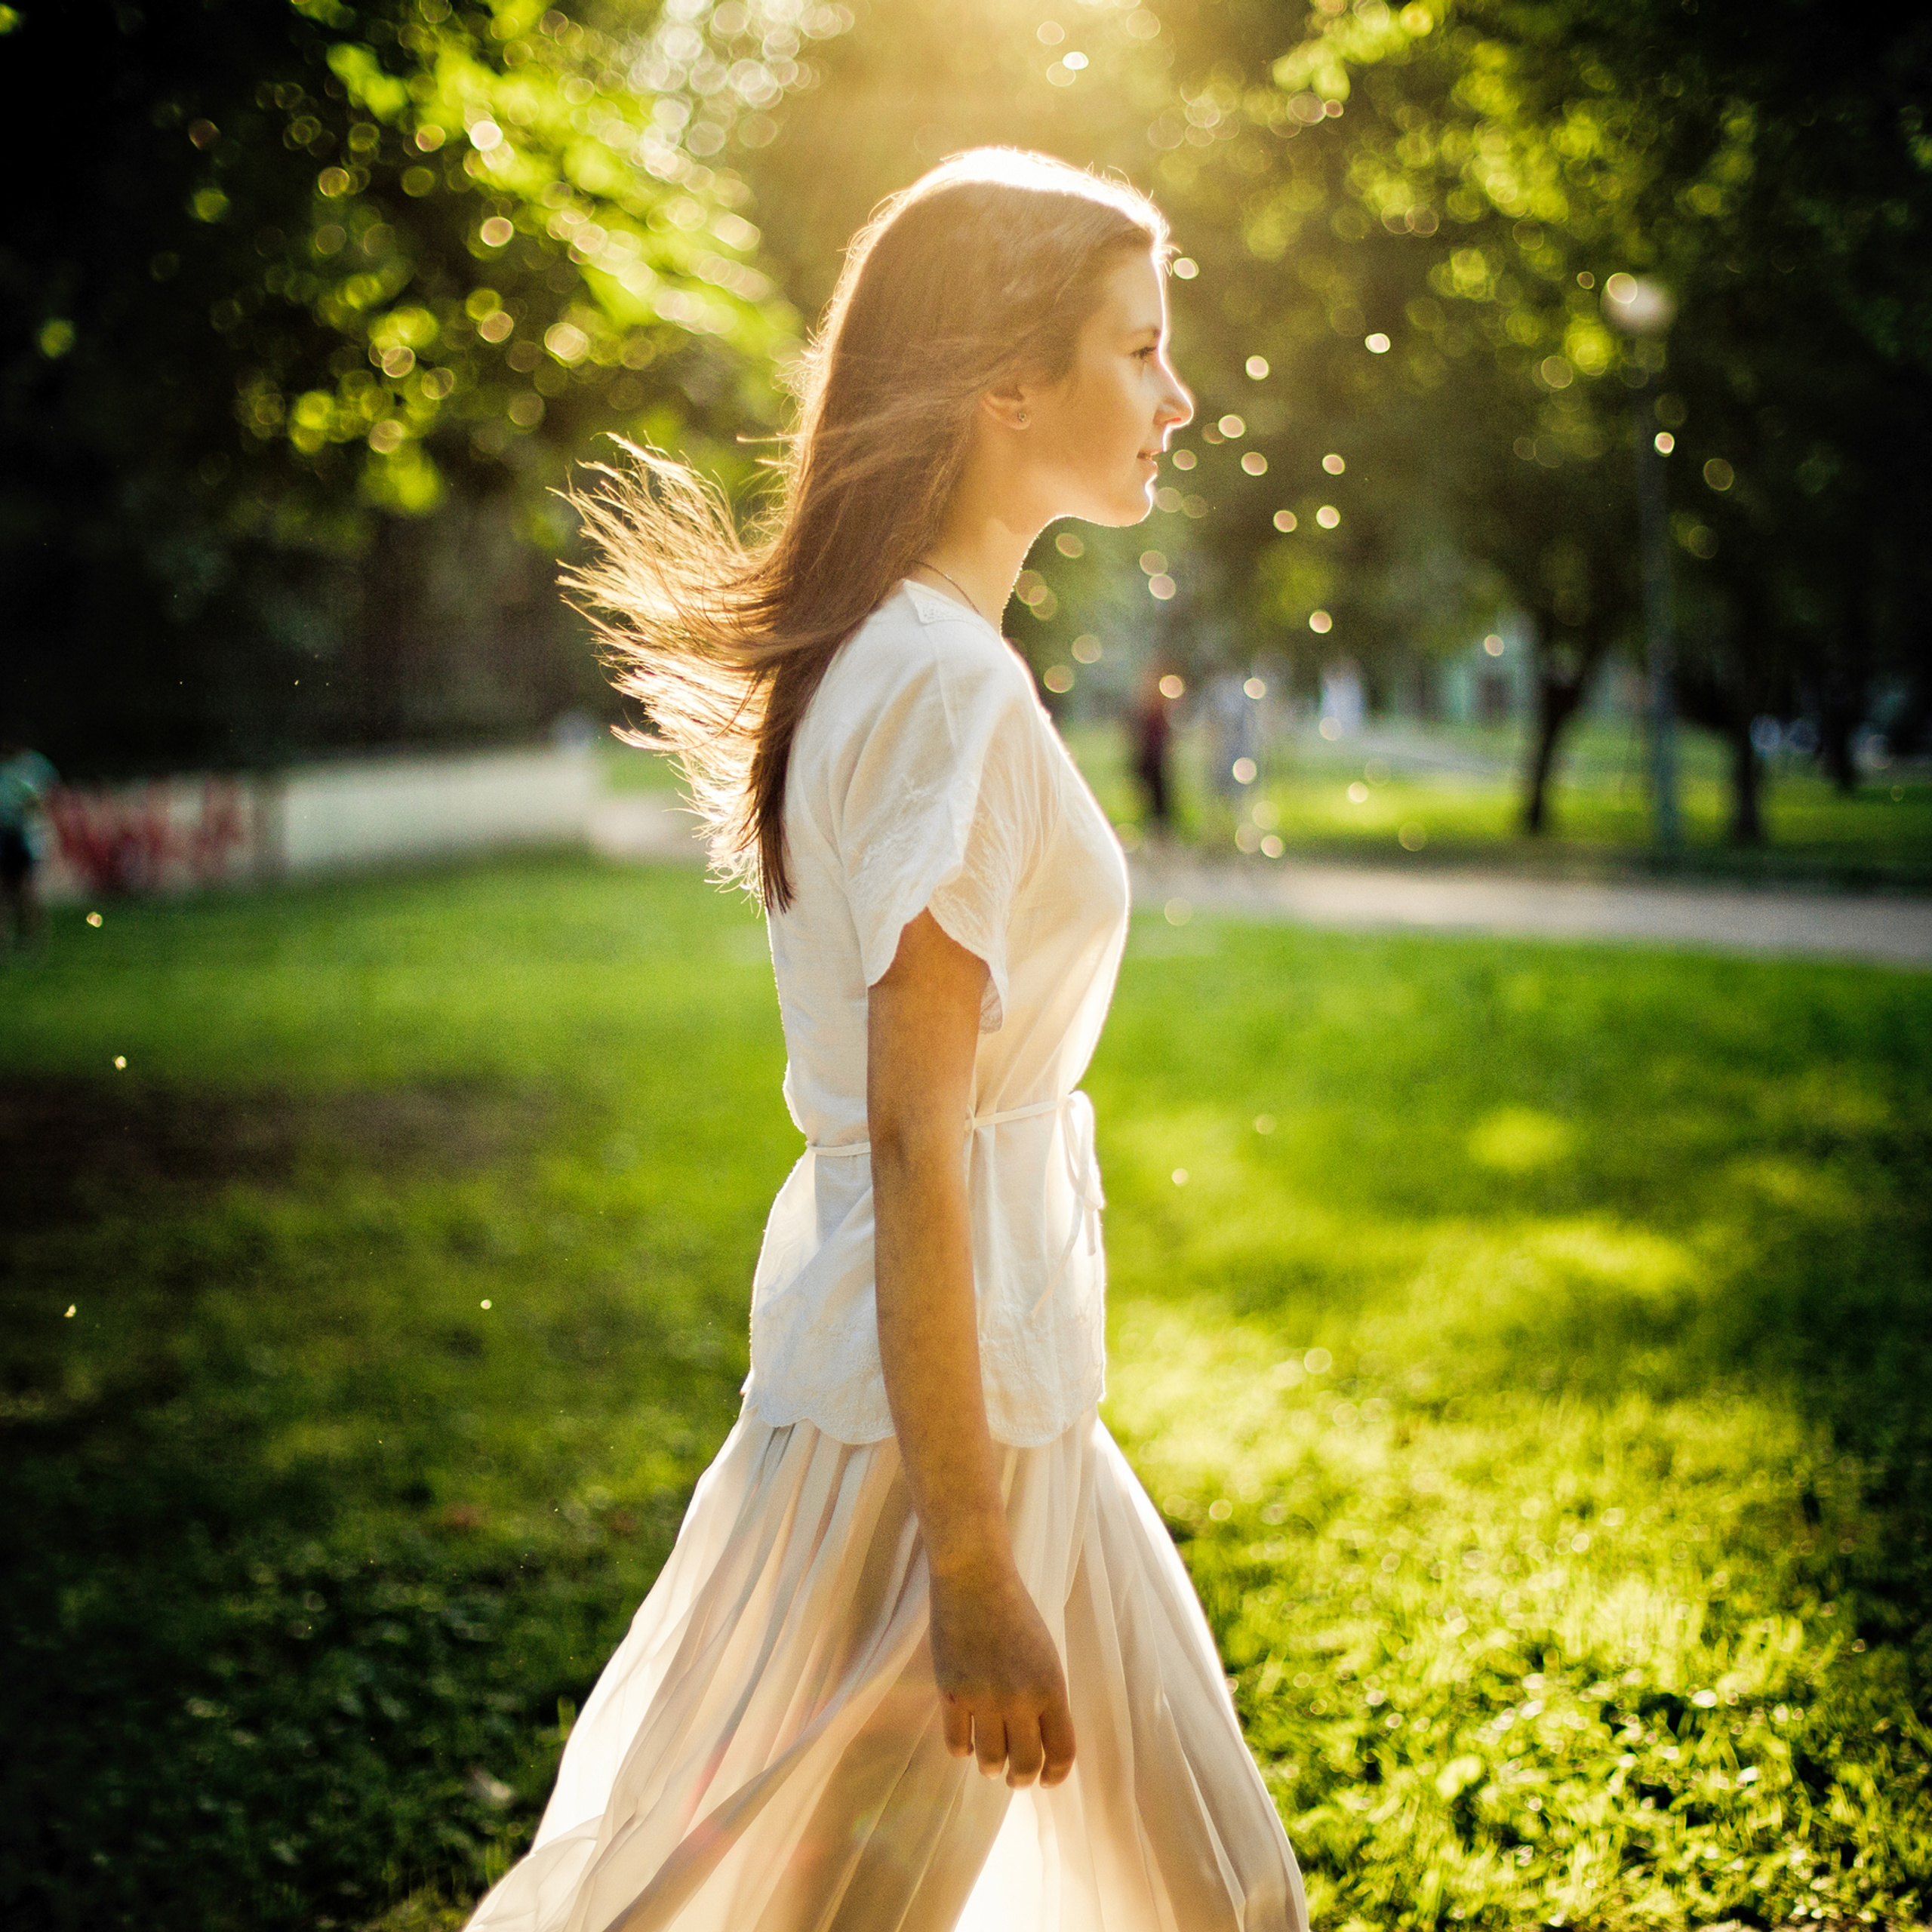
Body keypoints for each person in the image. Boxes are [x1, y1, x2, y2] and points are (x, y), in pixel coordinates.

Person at [464, 149, 1306, 1932]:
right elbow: (918, 1134)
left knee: (1219, 1894)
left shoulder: (915, 655)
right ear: (1005, 379)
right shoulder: (935, 683)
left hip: (1006, 1384)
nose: (1177, 395)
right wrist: (970, 1557)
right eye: (1137, 349)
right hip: (940, 1432)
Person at [0, 737, 58, 955]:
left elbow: (45, 797)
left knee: (26, 891)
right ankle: (8, 942)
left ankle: (32, 940)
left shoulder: (33, 765)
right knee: (5, 893)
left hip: (24, 835)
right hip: (6, 834)